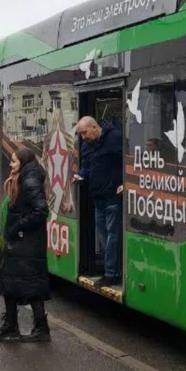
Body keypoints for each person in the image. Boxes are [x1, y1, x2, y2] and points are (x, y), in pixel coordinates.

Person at [0, 147, 51, 342]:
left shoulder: (28, 180)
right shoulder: (24, 178)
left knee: (29, 286)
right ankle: (12, 325)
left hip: (26, 243)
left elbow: (41, 211)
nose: (10, 164)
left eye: (14, 161)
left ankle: (38, 329)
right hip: (21, 243)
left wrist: (17, 228)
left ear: (23, 163)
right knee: (11, 284)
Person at [74, 116, 123, 287]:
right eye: (80, 135)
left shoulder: (115, 137)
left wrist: (126, 183)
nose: (83, 138)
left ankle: (111, 273)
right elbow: (86, 166)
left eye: (84, 133)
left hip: (113, 197)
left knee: (112, 237)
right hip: (98, 198)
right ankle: (112, 269)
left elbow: (128, 161)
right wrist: (81, 175)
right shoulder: (87, 145)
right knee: (104, 236)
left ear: (94, 127)